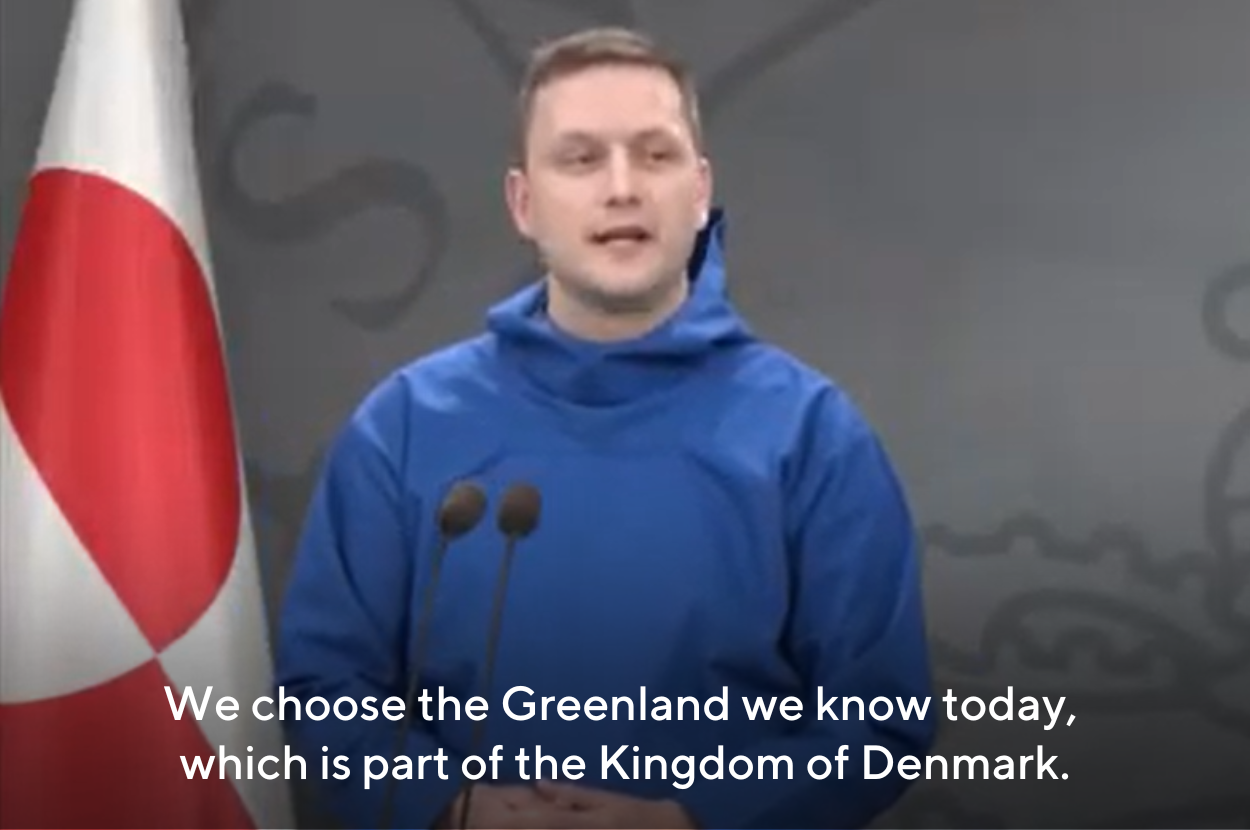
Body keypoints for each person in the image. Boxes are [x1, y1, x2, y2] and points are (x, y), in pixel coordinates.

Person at [275, 25, 935, 830]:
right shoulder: (405, 426)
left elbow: (880, 725)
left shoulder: (811, 435)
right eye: (581, 158)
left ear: (700, 190)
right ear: (524, 203)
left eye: (655, 155)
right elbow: (324, 683)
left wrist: (688, 820)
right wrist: (447, 809)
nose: (622, 188)